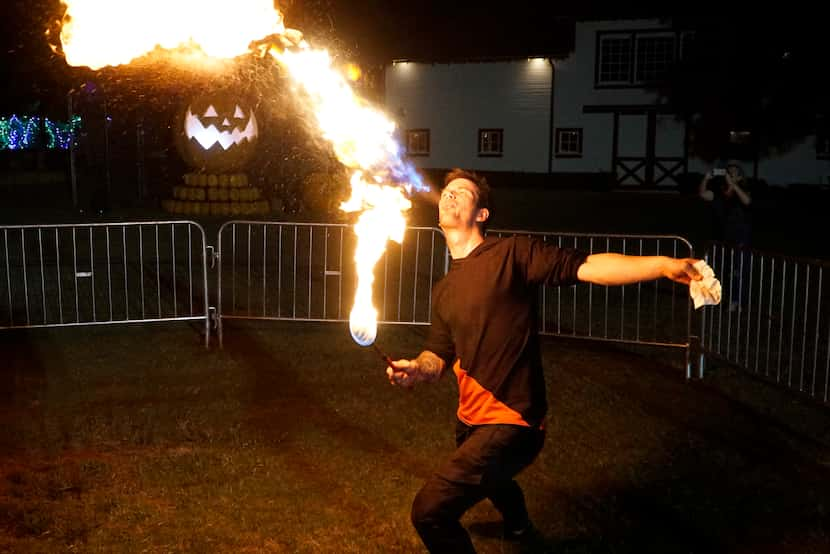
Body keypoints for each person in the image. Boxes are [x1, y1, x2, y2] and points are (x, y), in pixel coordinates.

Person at [386, 168, 703, 553]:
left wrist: (661, 265)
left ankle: (514, 525)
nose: (449, 196)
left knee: (430, 511)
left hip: (513, 421)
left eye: (462, 193)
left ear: (482, 214)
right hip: (470, 419)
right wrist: (418, 368)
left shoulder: (512, 254)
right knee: (495, 478)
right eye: (447, 191)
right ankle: (518, 527)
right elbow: (437, 352)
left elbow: (586, 266)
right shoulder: (444, 289)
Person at [698, 163, 752, 248]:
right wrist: (705, 179)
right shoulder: (719, 190)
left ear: (739, 177)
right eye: (729, 170)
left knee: (739, 259)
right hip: (721, 234)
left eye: (734, 171)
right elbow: (703, 194)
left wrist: (733, 184)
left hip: (739, 234)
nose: (730, 172)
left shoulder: (743, 189)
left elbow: (747, 201)